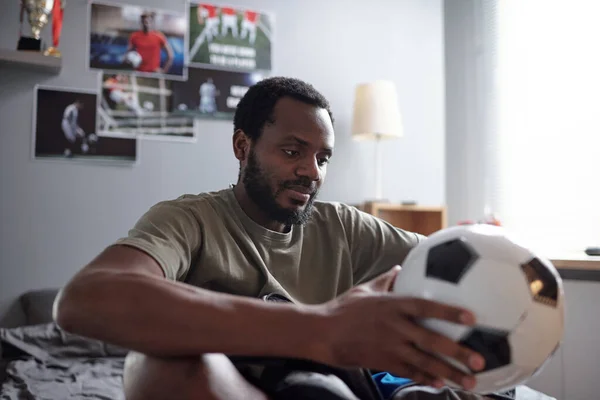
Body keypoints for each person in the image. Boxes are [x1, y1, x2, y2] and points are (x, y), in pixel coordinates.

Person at [53, 77, 486, 400]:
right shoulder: (189, 220)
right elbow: (83, 300)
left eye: (323, 158)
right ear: (243, 146)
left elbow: (446, 261)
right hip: (235, 386)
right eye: (293, 151)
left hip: (336, 382)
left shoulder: (346, 227)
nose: (312, 172)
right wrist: (321, 328)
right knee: (152, 365)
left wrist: (486, 250)